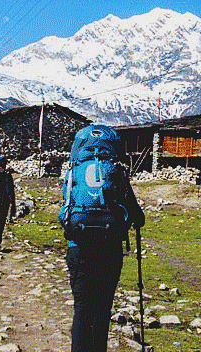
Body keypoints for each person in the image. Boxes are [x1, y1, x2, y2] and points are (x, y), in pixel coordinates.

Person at [60, 125, 146, 352]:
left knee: (82, 308)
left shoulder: (73, 171)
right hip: (110, 247)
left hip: (78, 247)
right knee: (102, 308)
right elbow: (137, 215)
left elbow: (64, 210)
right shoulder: (116, 172)